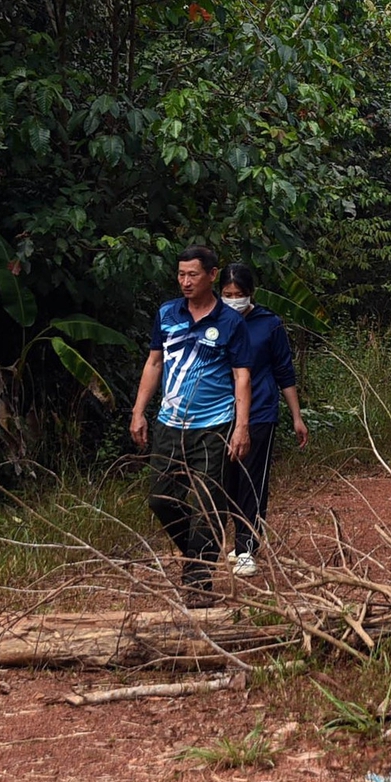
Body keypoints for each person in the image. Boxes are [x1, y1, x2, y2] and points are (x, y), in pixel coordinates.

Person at [129, 246, 251, 606]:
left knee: (208, 505)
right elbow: (154, 363)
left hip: (214, 425)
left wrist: (241, 426)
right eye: (181, 274)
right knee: (161, 499)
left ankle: (197, 584)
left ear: (212, 275)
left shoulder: (231, 323)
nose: (185, 281)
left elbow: (242, 375)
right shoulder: (167, 313)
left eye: (192, 275)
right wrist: (139, 411)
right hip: (170, 424)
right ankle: (198, 555)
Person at [217, 263, 307, 577]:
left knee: (252, 480)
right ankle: (235, 537)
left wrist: (296, 415)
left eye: (238, 294)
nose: (233, 300)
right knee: (225, 481)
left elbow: (284, 371)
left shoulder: (268, 324)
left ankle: (247, 547)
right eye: (227, 294)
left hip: (260, 411)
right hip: (220, 412)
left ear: (250, 294)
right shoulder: (214, 321)